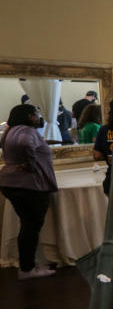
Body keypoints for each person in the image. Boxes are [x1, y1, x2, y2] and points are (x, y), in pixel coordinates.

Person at [0, 104, 58, 280]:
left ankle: (29, 264)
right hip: (29, 185)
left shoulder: (10, 131)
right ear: (29, 116)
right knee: (31, 226)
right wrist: (30, 163)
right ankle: (27, 269)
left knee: (28, 225)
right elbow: (25, 143)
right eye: (36, 114)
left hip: (11, 183)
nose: (39, 116)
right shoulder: (26, 132)